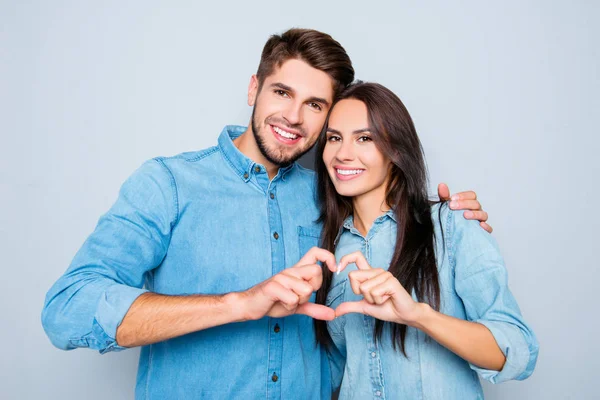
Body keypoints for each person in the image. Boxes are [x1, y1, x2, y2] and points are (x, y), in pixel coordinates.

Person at [42, 29, 490, 399]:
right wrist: (238, 304)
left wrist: (446, 216)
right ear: (254, 87)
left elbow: (389, 211)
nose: (293, 116)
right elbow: (67, 309)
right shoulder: (170, 184)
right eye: (282, 92)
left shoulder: (331, 197)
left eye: (315, 105)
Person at [314, 82, 538, 399]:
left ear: (396, 150)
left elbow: (518, 350)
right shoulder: (328, 250)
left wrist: (418, 315)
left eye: (364, 138)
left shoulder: (450, 225)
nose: (342, 154)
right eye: (333, 138)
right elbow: (332, 371)